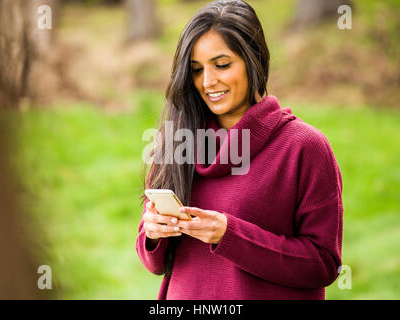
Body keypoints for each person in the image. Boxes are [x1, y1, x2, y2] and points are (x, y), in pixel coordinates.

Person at [136, 0, 343, 300]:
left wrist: (229, 235)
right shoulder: (176, 144)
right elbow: (153, 263)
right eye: (196, 70)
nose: (208, 82)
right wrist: (153, 233)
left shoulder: (304, 147)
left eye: (221, 65)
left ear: (253, 60)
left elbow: (324, 264)